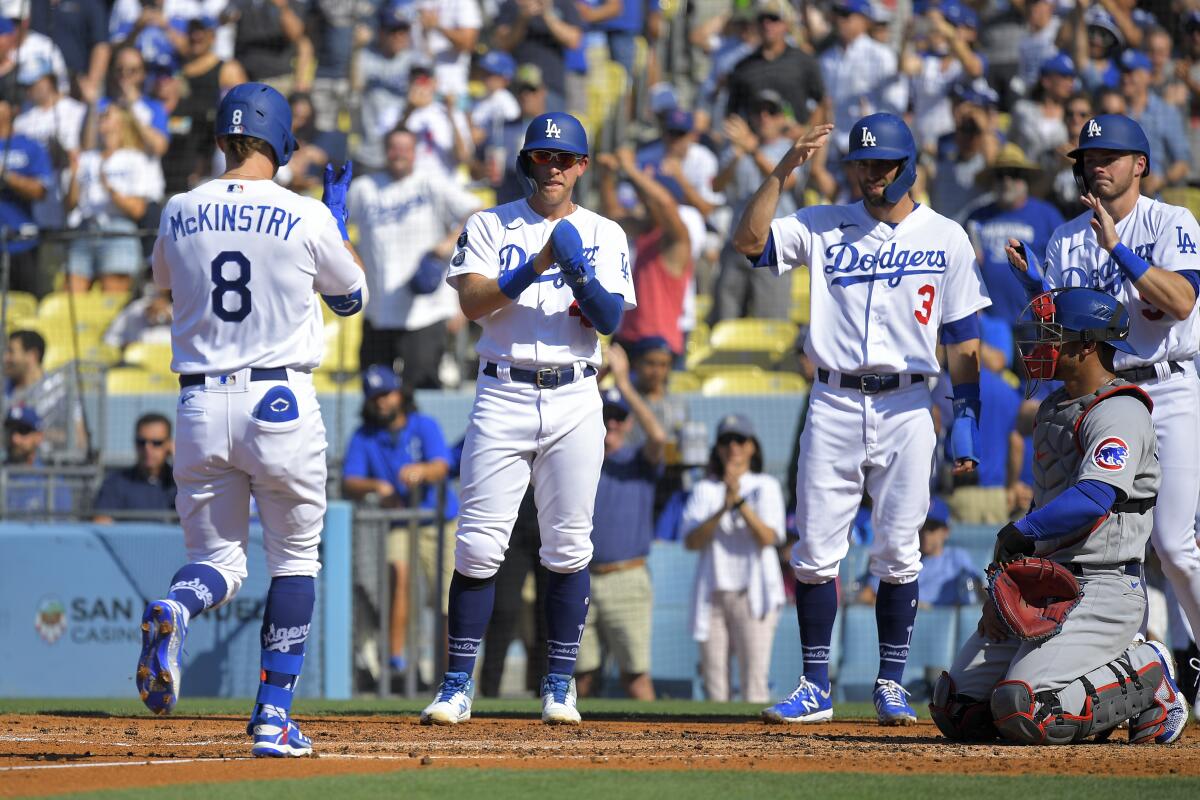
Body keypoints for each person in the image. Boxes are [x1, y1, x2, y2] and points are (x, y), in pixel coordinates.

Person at [134, 82, 368, 758]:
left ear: (221, 138)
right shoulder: (304, 214)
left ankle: (177, 608)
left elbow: (163, 283)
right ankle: (271, 718)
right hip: (279, 402)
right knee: (294, 562)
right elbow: (352, 300)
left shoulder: (180, 208)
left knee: (214, 561)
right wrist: (337, 225)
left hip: (200, 402)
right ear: (283, 141)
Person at [732, 112, 989, 725]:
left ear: (907, 167)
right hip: (835, 399)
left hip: (907, 403)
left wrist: (967, 415)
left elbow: (963, 335)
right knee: (815, 550)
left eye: (881, 166)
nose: (870, 177)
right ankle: (815, 685)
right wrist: (783, 170)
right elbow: (749, 241)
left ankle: (890, 684)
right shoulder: (823, 223)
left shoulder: (946, 235)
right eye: (861, 166)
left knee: (900, 551)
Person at [419, 111, 634, 726]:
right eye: (544, 157)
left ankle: (560, 684)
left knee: (568, 547)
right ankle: (457, 684)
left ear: (583, 167)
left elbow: (612, 320)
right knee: (478, 546)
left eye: (566, 159)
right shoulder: (490, 222)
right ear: (526, 161)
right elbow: (472, 302)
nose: (555, 168)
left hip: (574, 393)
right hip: (503, 388)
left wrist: (576, 269)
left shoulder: (605, 232)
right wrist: (537, 264)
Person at [931, 287, 1189, 746]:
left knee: (1026, 707)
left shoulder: (1121, 410)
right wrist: (1005, 583)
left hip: (1104, 586)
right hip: (1045, 583)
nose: (1037, 346)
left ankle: (1148, 673)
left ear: (1088, 344)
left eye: (1051, 336)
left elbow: (1094, 496)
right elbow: (1043, 506)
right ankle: (1094, 683)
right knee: (958, 709)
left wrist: (1019, 532)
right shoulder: (1053, 409)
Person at [1005, 113, 1200, 709]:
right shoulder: (1066, 235)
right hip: (1098, 396)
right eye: (1088, 156)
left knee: (1173, 544)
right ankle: (1131, 668)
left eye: (1109, 154)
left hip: (1166, 388)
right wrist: (1039, 285)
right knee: (1098, 545)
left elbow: (1183, 301)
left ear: (1139, 163)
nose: (1095, 163)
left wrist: (1118, 249)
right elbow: (1065, 323)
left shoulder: (1172, 220)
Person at [340, 365, 457, 680]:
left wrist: (421, 471)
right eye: (374, 396)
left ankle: (452, 672)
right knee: (398, 575)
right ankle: (395, 664)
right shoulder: (365, 435)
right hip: (400, 523)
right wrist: (376, 486)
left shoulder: (423, 424)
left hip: (439, 522)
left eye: (386, 393)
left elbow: (442, 466)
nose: (382, 401)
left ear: (400, 393)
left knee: (450, 598)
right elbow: (349, 480)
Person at [348, 127, 481, 389]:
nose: (399, 154)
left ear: (415, 152)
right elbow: (333, 225)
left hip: (425, 312)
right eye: (393, 148)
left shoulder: (430, 182)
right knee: (374, 395)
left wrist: (445, 245)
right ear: (385, 151)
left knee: (422, 392)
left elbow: (478, 212)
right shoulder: (364, 188)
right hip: (378, 311)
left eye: (405, 149)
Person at [575, 347, 666, 701]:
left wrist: (625, 385)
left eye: (619, 417)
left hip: (627, 578)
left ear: (627, 423)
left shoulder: (636, 460)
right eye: (606, 415)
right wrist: (595, 381)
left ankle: (659, 753)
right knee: (581, 678)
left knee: (636, 678)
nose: (611, 423)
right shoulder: (581, 456)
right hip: (582, 578)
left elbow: (658, 437)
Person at [681, 414, 785, 703]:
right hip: (712, 592)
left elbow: (768, 537)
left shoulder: (766, 485)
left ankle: (757, 747)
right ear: (717, 448)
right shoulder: (705, 489)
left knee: (754, 682)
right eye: (726, 441)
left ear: (752, 447)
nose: (733, 447)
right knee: (715, 684)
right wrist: (722, 508)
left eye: (740, 440)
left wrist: (739, 502)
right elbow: (691, 541)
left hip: (754, 593)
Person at [597, 147, 692, 359]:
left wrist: (630, 169)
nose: (643, 200)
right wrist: (606, 176)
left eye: (647, 196)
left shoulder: (678, 237)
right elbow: (612, 215)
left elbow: (665, 203)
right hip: (628, 337)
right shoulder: (646, 230)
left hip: (658, 344)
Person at [64, 102, 164, 294]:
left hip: (118, 230)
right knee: (70, 295)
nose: (102, 119)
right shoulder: (87, 159)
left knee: (111, 301)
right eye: (101, 116)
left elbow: (139, 210)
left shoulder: (135, 158)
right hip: (85, 228)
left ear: (122, 122)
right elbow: (70, 205)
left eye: (107, 115)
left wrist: (110, 190)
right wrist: (74, 176)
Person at [965, 143, 1064, 326]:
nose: (1007, 181)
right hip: (989, 322)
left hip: (1036, 319)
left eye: (1014, 175)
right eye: (1001, 176)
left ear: (1025, 180)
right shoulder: (976, 217)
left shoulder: (1047, 215)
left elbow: (1062, 264)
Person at [857, 498, 980, 607]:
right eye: (921, 526)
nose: (925, 534)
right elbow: (865, 596)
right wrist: (904, 607)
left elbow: (978, 594)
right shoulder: (901, 557)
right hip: (906, 622)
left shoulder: (957, 558)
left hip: (943, 625)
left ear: (946, 531)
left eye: (932, 528)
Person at [93, 412, 177, 523]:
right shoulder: (115, 483)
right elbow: (101, 523)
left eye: (157, 443)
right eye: (141, 442)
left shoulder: (181, 483)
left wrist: (180, 461)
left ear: (169, 445)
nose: (148, 449)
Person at [2, 405, 72, 516]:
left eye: (23, 431)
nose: (14, 438)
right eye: (11, 430)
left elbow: (61, 529)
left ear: (39, 436)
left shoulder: (52, 482)